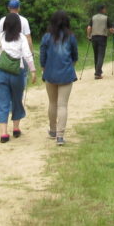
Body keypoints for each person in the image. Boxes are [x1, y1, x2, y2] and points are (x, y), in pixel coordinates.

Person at [0, 13, 36, 143]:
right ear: (18, 25)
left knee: (1, 102)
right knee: (16, 99)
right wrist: (33, 70)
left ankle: (3, 133)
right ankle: (16, 128)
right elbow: (27, 55)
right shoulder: (21, 38)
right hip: (17, 72)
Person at [39, 10, 78, 146]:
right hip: (66, 74)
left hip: (50, 73)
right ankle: (60, 136)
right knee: (62, 105)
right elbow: (75, 56)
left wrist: (44, 68)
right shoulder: (71, 37)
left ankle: (52, 130)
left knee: (52, 103)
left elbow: (42, 56)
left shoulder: (46, 37)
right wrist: (70, 66)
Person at [86, 5, 114, 79]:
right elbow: (110, 29)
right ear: (102, 10)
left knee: (96, 55)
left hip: (94, 37)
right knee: (101, 55)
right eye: (105, 9)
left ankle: (98, 71)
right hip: (102, 38)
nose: (105, 10)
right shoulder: (106, 18)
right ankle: (98, 73)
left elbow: (89, 28)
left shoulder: (93, 17)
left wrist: (89, 36)